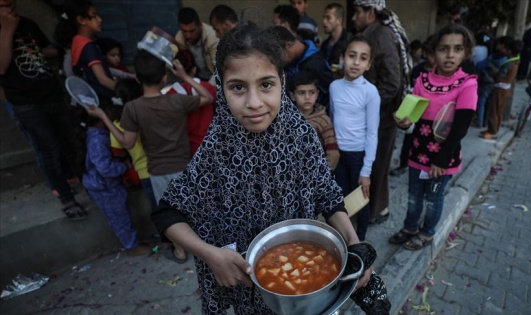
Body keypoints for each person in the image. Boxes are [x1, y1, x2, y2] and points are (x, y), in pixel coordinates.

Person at [151, 23, 391, 315]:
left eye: (266, 85)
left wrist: (355, 246)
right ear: (222, 89)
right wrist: (212, 256)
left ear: (281, 81)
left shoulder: (301, 136)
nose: (254, 103)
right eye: (238, 87)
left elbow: (328, 196)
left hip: (302, 286)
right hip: (245, 287)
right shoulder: (217, 148)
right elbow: (167, 212)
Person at [85, 49, 213, 263]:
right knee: (196, 208)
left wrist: (104, 119)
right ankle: (208, 248)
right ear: (164, 78)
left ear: (137, 78)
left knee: (171, 215)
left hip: (158, 171)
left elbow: (127, 142)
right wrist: (184, 77)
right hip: (185, 166)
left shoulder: (132, 108)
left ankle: (180, 251)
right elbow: (207, 97)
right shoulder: (177, 101)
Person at [389, 23, 478, 250]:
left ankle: (427, 232)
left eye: (457, 49)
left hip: (442, 159)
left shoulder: (466, 84)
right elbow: (412, 115)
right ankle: (410, 227)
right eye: (443, 48)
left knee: (433, 199)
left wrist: (441, 160)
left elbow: (460, 128)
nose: (450, 55)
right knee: (413, 196)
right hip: (418, 153)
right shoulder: (423, 81)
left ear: (465, 53)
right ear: (433, 52)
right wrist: (403, 121)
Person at [0, 0, 86, 220]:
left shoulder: (27, 23)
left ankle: (86, 185)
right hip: (26, 103)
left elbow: (42, 49)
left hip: (51, 94)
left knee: (70, 142)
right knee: (48, 150)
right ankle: (67, 199)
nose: (9, 10)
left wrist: (63, 47)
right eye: (2, 6)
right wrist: (7, 30)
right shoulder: (6, 28)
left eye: (11, 4)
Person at [352, 0, 410, 224]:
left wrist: (368, 106)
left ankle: (374, 212)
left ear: (371, 12)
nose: (354, 17)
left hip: (382, 117)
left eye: (357, 11)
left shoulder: (381, 34)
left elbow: (392, 82)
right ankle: (379, 209)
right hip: (378, 116)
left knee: (376, 167)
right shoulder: (372, 32)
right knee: (378, 165)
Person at [82, 107, 152, 256]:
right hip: (104, 186)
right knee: (119, 219)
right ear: (100, 120)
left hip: (108, 185)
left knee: (123, 216)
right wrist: (124, 166)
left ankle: (134, 242)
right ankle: (131, 247)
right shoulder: (97, 139)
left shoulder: (99, 135)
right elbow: (105, 168)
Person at [330, 36, 380, 241]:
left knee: (361, 199)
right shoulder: (334, 86)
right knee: (340, 199)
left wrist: (366, 170)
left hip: (359, 155)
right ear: (342, 58)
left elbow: (372, 132)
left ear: (368, 64)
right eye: (352, 56)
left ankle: (360, 241)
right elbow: (333, 119)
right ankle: (344, 238)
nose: (356, 62)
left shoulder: (370, 92)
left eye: (363, 58)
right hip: (339, 154)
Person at [109, 79, 158, 211]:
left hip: (144, 173)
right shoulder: (152, 111)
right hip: (167, 166)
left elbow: (117, 151)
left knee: (162, 214)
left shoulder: (117, 125)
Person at [390, 36, 436, 177]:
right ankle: (404, 165)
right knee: (408, 139)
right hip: (414, 111)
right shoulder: (417, 70)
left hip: (430, 115)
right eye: (428, 54)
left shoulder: (439, 74)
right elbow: (409, 89)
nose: (431, 58)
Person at [57, 0, 116, 101]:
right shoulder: (88, 46)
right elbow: (102, 79)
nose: (100, 20)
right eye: (94, 16)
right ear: (81, 20)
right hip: (103, 98)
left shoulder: (76, 42)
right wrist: (126, 91)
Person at [166, 49, 217, 156]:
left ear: (175, 72)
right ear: (194, 69)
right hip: (213, 144)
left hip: (188, 149)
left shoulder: (171, 94)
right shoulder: (207, 88)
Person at [270, 26, 334, 107]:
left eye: (277, 55)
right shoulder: (293, 60)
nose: (276, 60)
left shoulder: (316, 65)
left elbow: (330, 95)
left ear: (288, 46)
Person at [290, 71, 339, 171]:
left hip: (315, 173)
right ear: (292, 96)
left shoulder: (323, 121)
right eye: (301, 93)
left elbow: (333, 152)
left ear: (317, 94)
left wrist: (324, 174)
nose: (307, 97)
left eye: (312, 92)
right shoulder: (287, 119)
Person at [481, 38, 522, 139]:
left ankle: (492, 131)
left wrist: (493, 72)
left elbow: (500, 78)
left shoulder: (509, 63)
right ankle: (494, 128)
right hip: (505, 88)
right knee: (498, 110)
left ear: (509, 51)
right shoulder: (516, 59)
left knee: (494, 110)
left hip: (500, 88)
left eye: (506, 49)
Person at [175, 7, 219, 82]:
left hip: (213, 79)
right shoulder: (179, 38)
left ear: (200, 26)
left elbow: (219, 71)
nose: (188, 35)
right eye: (184, 31)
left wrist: (207, 87)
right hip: (195, 79)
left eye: (192, 31)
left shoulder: (213, 38)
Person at [320, 2, 351, 72]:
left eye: (328, 18)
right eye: (324, 18)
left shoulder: (350, 41)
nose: (324, 21)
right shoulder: (325, 44)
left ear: (339, 20)